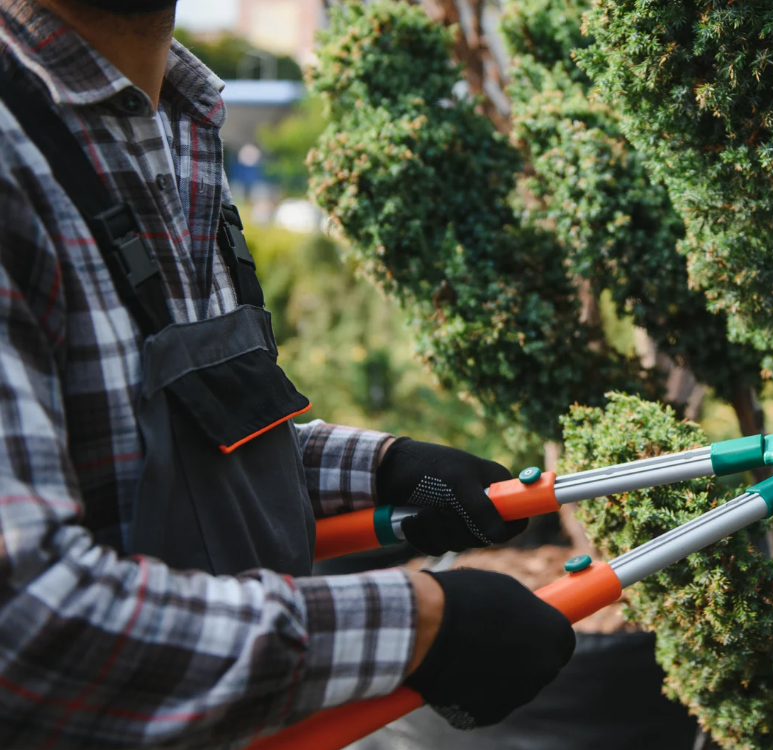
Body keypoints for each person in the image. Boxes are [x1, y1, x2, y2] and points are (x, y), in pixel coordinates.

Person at [0, 0, 576, 747]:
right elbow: (24, 618)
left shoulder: (177, 120)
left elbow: (169, 445)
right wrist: (422, 622)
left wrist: (383, 468)